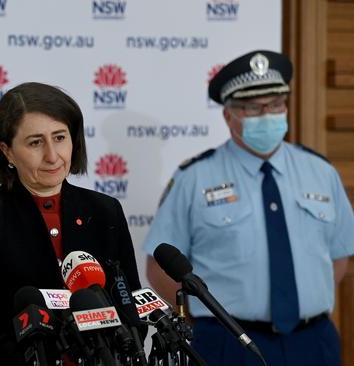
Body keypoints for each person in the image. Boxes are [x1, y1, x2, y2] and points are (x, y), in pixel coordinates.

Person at [143, 50, 354, 365]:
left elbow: (338, 258)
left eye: (276, 105)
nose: (268, 115)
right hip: (227, 343)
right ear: (229, 116)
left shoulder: (320, 171)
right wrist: (197, 321)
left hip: (313, 342)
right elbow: (159, 267)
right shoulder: (194, 178)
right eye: (254, 109)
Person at [0, 82, 142, 365]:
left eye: (59, 137)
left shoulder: (105, 211)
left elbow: (130, 307)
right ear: (7, 152)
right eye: (35, 142)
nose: (53, 156)